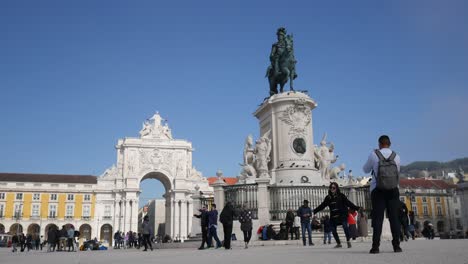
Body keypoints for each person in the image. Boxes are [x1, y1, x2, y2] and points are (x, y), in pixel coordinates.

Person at [363, 135, 402, 254]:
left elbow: (365, 169)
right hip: (393, 190)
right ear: (389, 143)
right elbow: (397, 172)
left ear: (379, 144)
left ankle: (375, 247)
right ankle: (396, 246)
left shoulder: (374, 154)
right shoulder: (396, 156)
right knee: (394, 218)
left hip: (378, 190)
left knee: (378, 219)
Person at [313, 182, 361, 248]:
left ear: (336, 188)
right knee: (333, 229)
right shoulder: (328, 197)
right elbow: (322, 205)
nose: (332, 189)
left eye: (333, 188)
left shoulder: (341, 195)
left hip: (342, 214)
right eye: (331, 188)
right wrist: (314, 211)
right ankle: (339, 243)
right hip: (333, 216)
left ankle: (348, 240)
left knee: (345, 227)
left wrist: (356, 208)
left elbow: (348, 203)